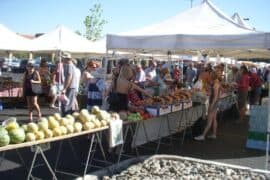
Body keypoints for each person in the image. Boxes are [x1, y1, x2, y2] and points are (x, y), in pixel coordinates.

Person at [195, 71, 221, 141]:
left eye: (210, 75)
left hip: (213, 103)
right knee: (214, 119)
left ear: (213, 76)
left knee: (209, 120)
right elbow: (216, 94)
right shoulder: (216, 82)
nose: (209, 76)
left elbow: (215, 97)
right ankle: (214, 134)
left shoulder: (216, 84)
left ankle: (203, 135)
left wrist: (211, 105)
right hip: (215, 103)